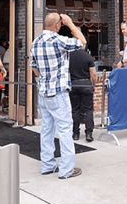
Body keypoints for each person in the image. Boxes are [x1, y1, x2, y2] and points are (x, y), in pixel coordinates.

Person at [30, 13, 86, 179]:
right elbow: (82, 43)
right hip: (59, 92)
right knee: (64, 130)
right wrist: (70, 24)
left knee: (46, 129)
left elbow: (34, 68)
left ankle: (47, 165)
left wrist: (45, 78)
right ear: (57, 25)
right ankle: (66, 169)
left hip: (43, 92)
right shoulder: (58, 40)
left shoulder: (36, 42)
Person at [69, 48, 97, 142]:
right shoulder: (87, 56)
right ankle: (89, 134)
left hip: (73, 84)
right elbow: (93, 73)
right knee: (88, 110)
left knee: (75, 110)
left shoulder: (69, 56)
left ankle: (75, 133)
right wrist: (93, 84)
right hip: (86, 84)